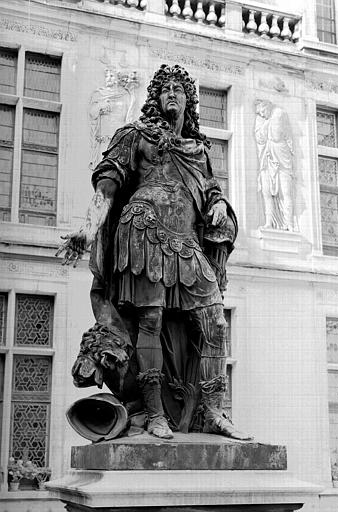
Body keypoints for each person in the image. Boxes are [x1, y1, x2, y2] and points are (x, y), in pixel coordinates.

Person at [57, 64, 252, 442]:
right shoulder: (136, 136)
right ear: (155, 99)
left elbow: (211, 191)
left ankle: (212, 411)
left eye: (180, 89)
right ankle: (155, 413)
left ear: (189, 102)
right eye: (165, 90)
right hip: (142, 234)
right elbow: (108, 184)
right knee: (151, 322)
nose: (172, 94)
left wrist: (219, 205)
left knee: (215, 321)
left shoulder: (198, 151)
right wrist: (88, 226)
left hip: (185, 243)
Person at [255, 99, 295, 231]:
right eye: (260, 113)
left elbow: (279, 134)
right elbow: (260, 137)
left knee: (286, 191)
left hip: (282, 157)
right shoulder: (263, 120)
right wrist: (266, 123)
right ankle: (269, 222)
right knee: (266, 191)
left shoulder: (279, 113)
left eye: (263, 112)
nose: (262, 115)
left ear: (268, 107)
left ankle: (289, 223)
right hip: (267, 157)